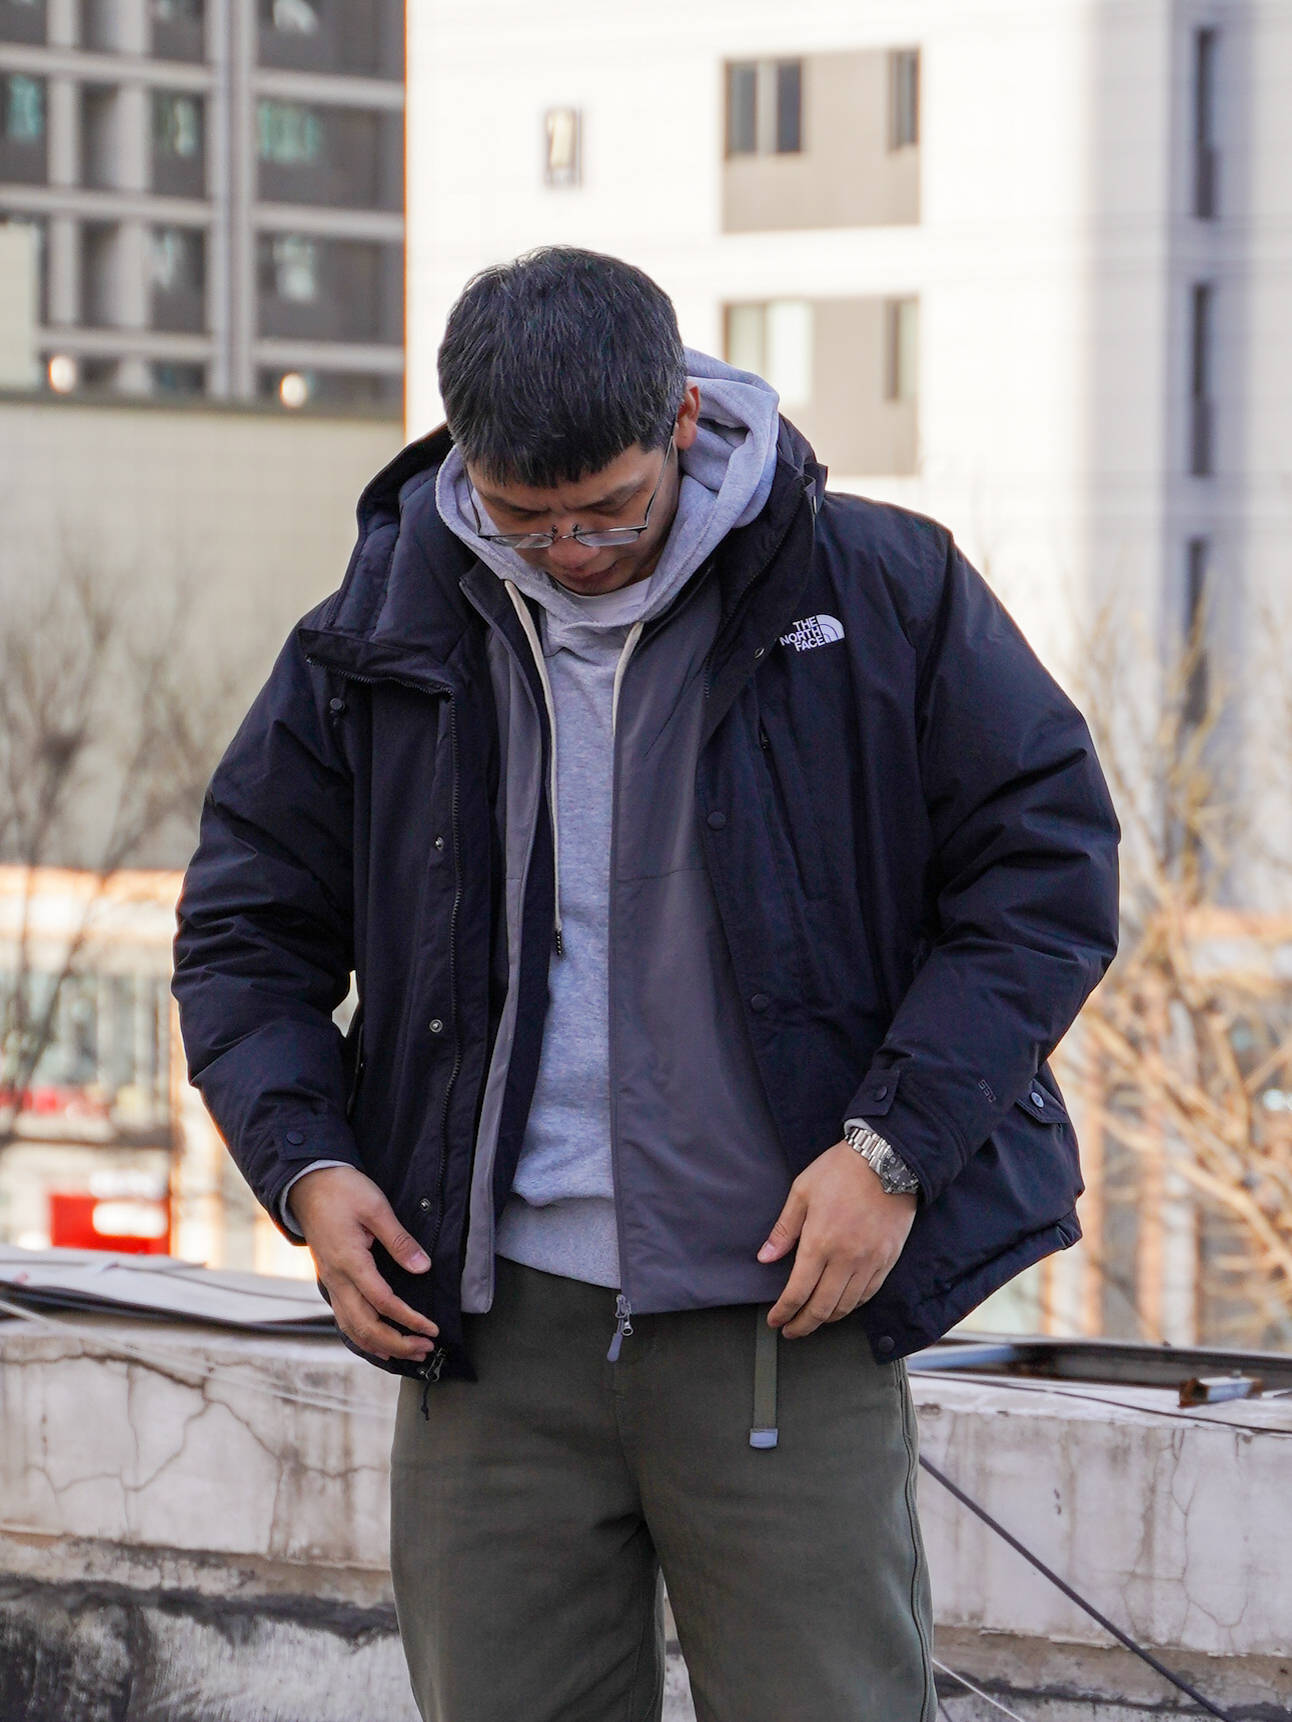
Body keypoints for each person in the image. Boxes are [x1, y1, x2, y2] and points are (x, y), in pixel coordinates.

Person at [173, 247, 1119, 1722]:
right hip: (482, 1329)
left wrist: (894, 1150)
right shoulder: (380, 623)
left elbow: (1043, 877)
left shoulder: (879, 589)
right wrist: (303, 1161)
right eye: (522, 516)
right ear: (465, 459)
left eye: (609, 509)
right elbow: (245, 926)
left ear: (681, 419)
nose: (571, 551)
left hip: (784, 1313)